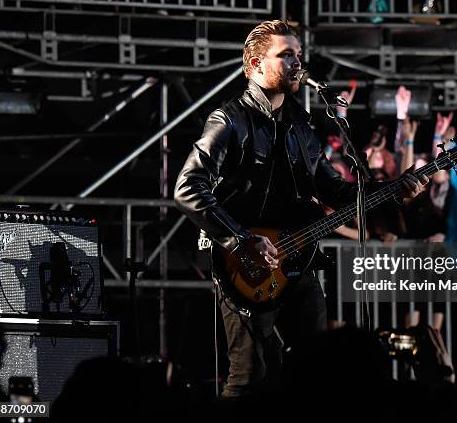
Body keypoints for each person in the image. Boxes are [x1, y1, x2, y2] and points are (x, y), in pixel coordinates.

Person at [173, 20, 428, 398]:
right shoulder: (229, 120)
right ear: (256, 65)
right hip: (246, 267)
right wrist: (241, 240)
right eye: (286, 55)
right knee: (249, 377)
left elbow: (335, 190)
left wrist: (393, 189)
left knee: (315, 376)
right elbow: (188, 186)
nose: (297, 63)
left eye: (299, 55)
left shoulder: (301, 127)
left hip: (300, 264)